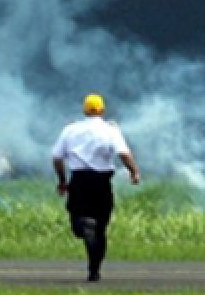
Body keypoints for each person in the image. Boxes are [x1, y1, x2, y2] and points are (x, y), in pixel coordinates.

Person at [51, 93, 141, 283]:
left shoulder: (70, 130)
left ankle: (84, 225)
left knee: (78, 222)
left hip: (79, 181)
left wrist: (62, 180)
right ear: (102, 110)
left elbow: (57, 158)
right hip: (102, 183)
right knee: (100, 229)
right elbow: (124, 154)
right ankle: (94, 270)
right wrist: (134, 171)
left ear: (84, 110)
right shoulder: (111, 130)